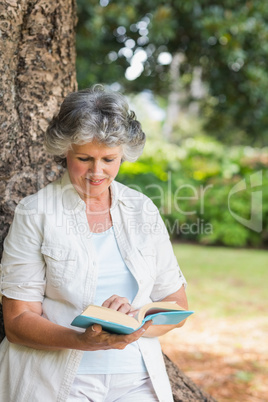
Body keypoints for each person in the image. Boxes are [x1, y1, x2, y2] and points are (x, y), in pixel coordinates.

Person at [0, 85, 188, 402]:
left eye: (109, 159)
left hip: (136, 379)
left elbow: (177, 304)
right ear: (65, 152)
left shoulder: (142, 209)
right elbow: (18, 321)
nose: (97, 172)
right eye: (85, 158)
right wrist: (83, 340)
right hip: (60, 379)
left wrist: (135, 322)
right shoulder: (35, 212)